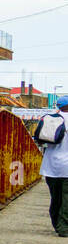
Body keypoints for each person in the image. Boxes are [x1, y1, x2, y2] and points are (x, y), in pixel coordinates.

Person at [35, 97, 68, 236]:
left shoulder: (49, 119)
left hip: (50, 166)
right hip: (66, 167)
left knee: (55, 197)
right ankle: (64, 228)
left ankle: (56, 223)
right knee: (66, 199)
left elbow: (40, 140)